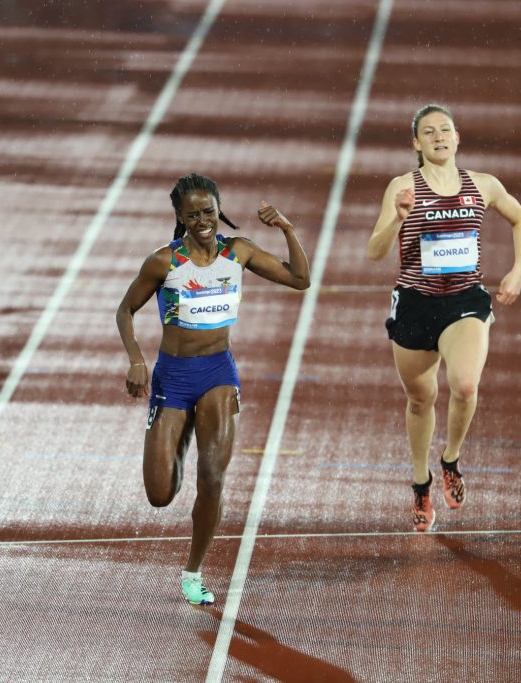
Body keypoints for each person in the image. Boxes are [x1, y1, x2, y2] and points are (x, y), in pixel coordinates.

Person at [115, 172, 310, 605]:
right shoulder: (164, 262)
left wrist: (286, 228)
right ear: (180, 218)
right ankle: (180, 435)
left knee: (213, 478)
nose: (203, 221)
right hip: (173, 377)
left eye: (209, 212)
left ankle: (193, 571)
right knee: (160, 494)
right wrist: (135, 358)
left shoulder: (236, 252)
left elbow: (300, 280)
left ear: (219, 211)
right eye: (193, 215)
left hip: (218, 374)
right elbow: (125, 310)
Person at [366, 104, 521, 532]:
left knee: (465, 384)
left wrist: (519, 268)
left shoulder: (483, 184)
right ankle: (421, 482)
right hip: (416, 303)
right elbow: (374, 251)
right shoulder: (403, 187)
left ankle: (451, 460)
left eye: (446, 130)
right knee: (421, 400)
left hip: (464, 301)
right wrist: (398, 220)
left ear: (457, 138)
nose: (439, 137)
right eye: (429, 132)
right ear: (416, 143)